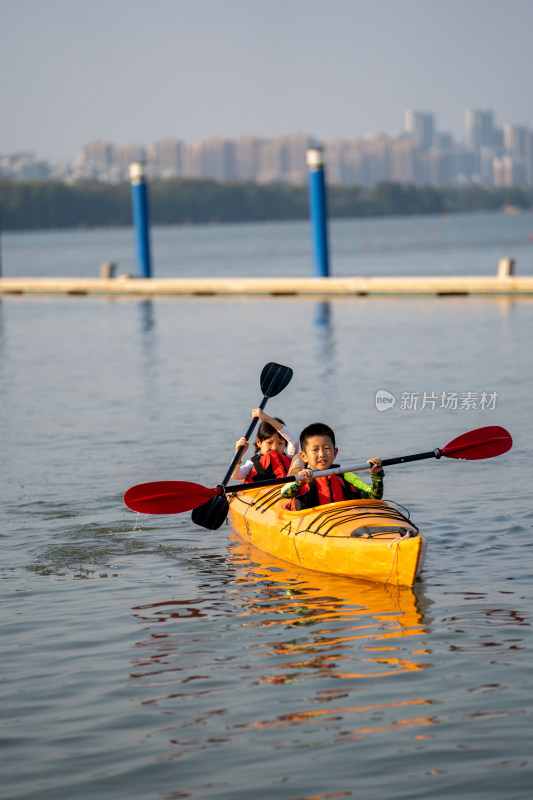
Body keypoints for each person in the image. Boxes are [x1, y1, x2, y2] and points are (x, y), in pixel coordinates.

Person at [281, 422, 384, 509]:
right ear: (304, 456)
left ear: (335, 452)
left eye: (327, 448)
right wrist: (300, 482)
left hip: (343, 521)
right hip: (310, 525)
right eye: (315, 449)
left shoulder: (345, 475)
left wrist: (377, 476)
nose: (322, 454)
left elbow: (374, 497)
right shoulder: (302, 477)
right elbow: (284, 494)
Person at [232, 408, 299, 483]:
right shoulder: (252, 464)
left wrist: (267, 419)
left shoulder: (290, 457)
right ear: (258, 442)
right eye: (269, 442)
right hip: (261, 493)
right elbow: (236, 475)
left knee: (298, 459)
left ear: (286, 443)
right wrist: (238, 456)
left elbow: (295, 441)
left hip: (286, 492)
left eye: (280, 443)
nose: (274, 448)